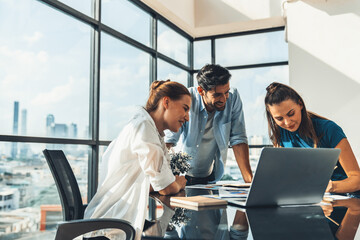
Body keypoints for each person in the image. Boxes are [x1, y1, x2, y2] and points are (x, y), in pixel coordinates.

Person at [84, 80, 190, 240]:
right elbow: (166, 187)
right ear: (166, 102)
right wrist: (178, 183)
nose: (187, 117)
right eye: (185, 108)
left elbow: (156, 183)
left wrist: (169, 183)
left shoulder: (153, 131)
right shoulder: (143, 128)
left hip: (121, 222)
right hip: (112, 228)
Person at [264, 82, 360, 196]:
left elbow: (357, 180)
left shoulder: (329, 129)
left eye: (291, 114)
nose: (287, 122)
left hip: (345, 199)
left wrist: (330, 186)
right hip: (310, 199)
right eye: (279, 118)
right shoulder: (280, 134)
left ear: (300, 104)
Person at [165, 64, 253, 185]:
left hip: (211, 175)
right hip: (181, 176)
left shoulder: (232, 98)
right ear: (201, 91)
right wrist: (161, 179)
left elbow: (238, 139)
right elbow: (169, 139)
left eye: (226, 92)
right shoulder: (187, 99)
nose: (223, 99)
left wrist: (250, 183)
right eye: (217, 95)